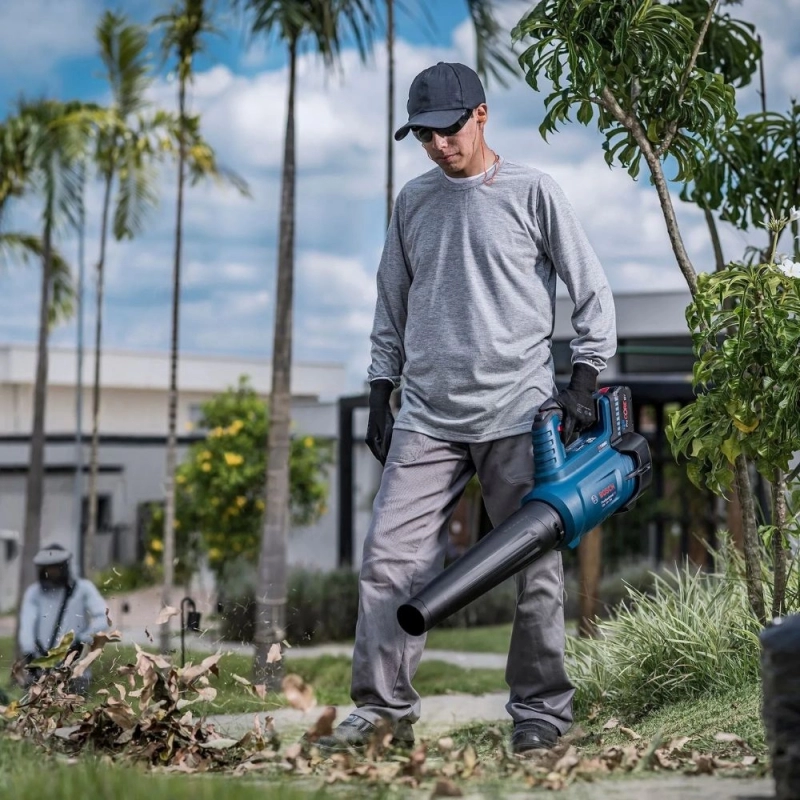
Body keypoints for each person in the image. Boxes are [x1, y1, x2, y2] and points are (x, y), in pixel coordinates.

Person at [317, 61, 616, 756]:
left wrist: (584, 380)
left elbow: (591, 292)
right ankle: (383, 711)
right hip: (427, 417)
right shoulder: (412, 202)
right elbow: (391, 305)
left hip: (520, 414)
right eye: (423, 135)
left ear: (481, 116)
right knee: (388, 560)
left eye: (447, 130)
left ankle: (540, 713)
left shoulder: (533, 192)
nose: (436, 145)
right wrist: (379, 390)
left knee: (535, 570)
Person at [17, 543, 108, 695]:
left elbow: (103, 617)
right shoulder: (34, 593)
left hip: (74, 668)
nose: (51, 571)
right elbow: (27, 626)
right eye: (47, 567)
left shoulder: (83, 589)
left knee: (74, 711)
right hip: (41, 668)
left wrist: (82, 640)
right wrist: (29, 654)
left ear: (64, 566)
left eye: (55, 567)